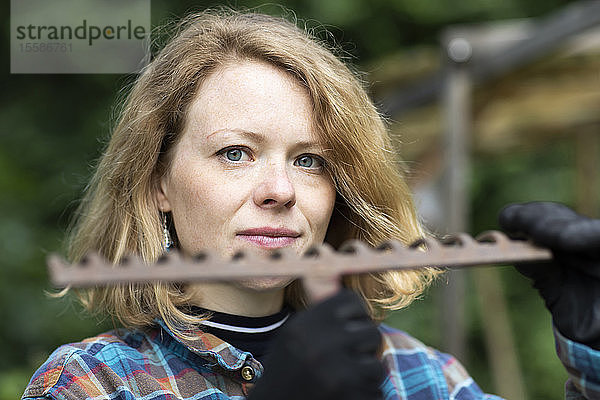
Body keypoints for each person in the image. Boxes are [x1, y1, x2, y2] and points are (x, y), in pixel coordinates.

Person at [22, 9, 600, 400]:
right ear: (158, 185)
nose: (280, 190)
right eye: (235, 153)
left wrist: (594, 348)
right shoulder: (95, 383)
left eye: (309, 160)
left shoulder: (416, 375)